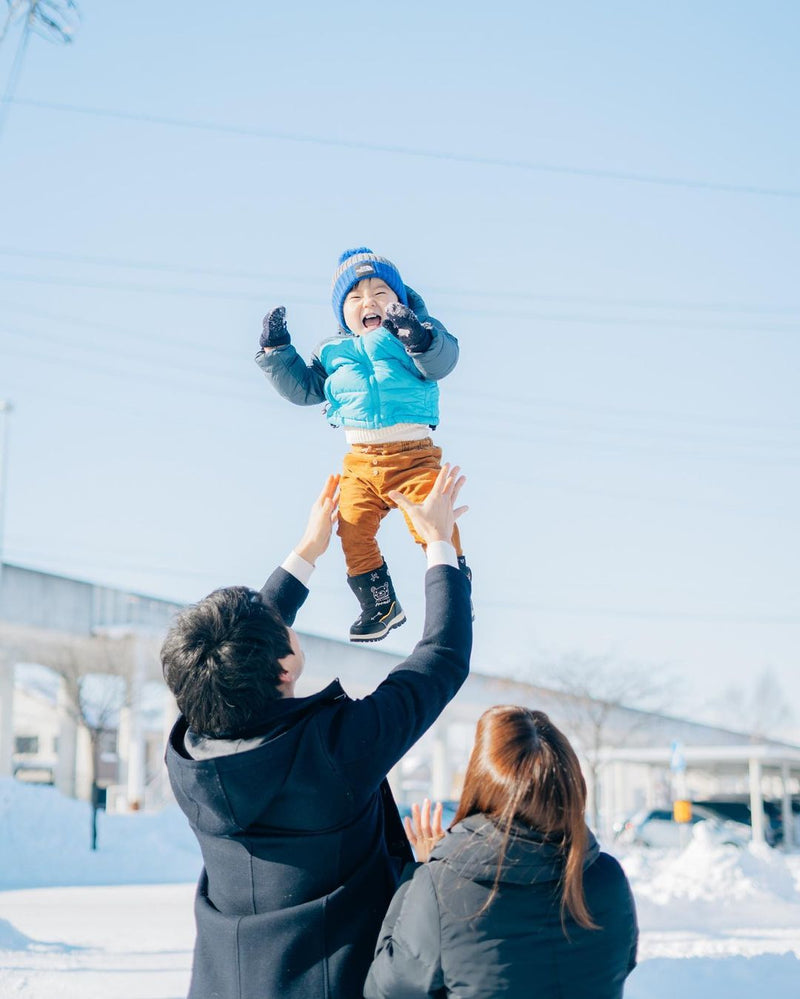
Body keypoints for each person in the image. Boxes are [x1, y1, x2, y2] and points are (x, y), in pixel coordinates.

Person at [161, 466, 472, 999]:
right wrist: (440, 542)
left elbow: (232, 651)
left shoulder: (190, 755)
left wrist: (307, 550)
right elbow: (440, 659)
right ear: (283, 670)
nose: (289, 626)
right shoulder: (335, 750)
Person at [255, 247, 469, 643]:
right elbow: (304, 389)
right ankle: (379, 603)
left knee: (432, 522)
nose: (368, 302)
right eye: (355, 298)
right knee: (351, 529)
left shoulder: (413, 335)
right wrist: (277, 351)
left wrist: (419, 337)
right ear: (343, 314)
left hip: (414, 458)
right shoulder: (332, 351)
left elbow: (442, 361)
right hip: (360, 464)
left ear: (400, 303)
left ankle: (456, 587)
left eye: (381, 293)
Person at [364, 705, 639, 999]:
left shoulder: (442, 886)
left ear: (480, 781)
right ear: (570, 784)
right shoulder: (608, 877)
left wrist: (420, 875)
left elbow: (387, 989)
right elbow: (623, 963)